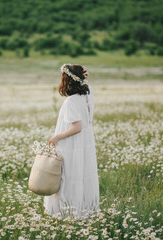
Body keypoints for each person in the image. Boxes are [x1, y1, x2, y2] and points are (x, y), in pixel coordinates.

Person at [45, 63, 100, 219]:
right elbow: (85, 84)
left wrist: (57, 137)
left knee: (68, 177)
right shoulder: (88, 93)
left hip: (72, 144)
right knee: (81, 175)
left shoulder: (71, 102)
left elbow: (77, 127)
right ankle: (83, 210)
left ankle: (67, 213)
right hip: (84, 144)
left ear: (66, 81)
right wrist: (84, 77)